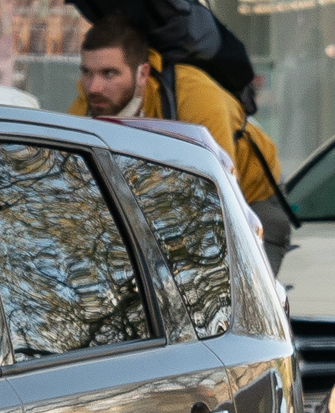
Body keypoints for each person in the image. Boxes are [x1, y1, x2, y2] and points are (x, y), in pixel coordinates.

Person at [74, 15, 290, 263]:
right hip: (161, 201)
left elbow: (217, 199)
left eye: (109, 74)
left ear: (143, 73)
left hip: (252, 201)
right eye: (86, 72)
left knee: (232, 294)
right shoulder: (90, 100)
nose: (93, 87)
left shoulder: (196, 97)